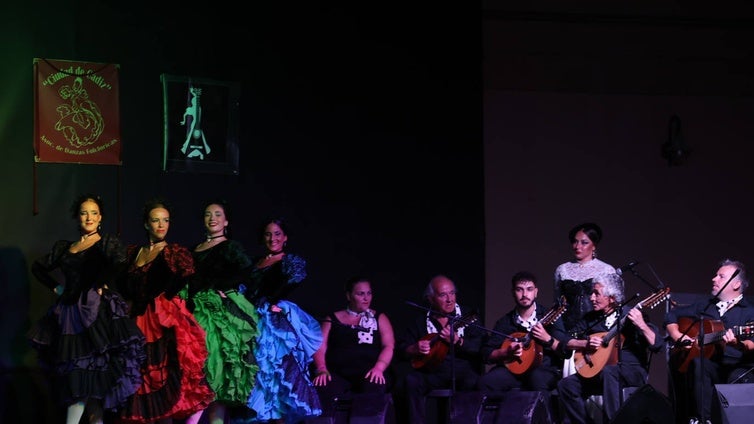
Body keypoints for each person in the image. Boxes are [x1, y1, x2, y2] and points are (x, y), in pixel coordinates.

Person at [27, 193, 146, 424]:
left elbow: (121, 262)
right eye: (84, 213)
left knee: (89, 385)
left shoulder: (106, 243)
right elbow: (39, 267)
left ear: (100, 217)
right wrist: (56, 288)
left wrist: (102, 281)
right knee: (80, 384)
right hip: (70, 317)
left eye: (93, 212)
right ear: (77, 218)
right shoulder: (65, 248)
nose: (88, 217)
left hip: (95, 315)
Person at [116, 198, 214, 424]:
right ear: (146, 224)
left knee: (161, 377)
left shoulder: (173, 252)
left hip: (161, 319)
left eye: (166, 220)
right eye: (156, 220)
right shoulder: (135, 252)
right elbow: (124, 283)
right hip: (136, 318)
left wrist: (165, 297)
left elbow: (187, 275)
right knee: (140, 377)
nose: (161, 225)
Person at [184, 199, 260, 424]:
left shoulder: (230, 247)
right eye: (208, 214)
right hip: (195, 313)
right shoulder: (194, 249)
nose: (212, 218)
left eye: (217, 214)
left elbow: (251, 275)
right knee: (199, 375)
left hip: (219, 318)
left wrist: (228, 290)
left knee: (216, 375)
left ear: (226, 221)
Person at [240, 217, 323, 424]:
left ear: (285, 238)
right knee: (258, 376)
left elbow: (287, 286)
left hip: (274, 324)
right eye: (268, 234)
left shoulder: (289, 262)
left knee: (276, 377)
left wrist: (274, 303)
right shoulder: (255, 262)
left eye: (277, 234)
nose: (272, 238)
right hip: (252, 319)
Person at [557, 272, 663, 424]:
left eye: (596, 293)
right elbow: (565, 340)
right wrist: (585, 343)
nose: (591, 298)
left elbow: (657, 345)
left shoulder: (633, 316)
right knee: (566, 385)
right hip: (600, 373)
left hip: (631, 371)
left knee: (610, 372)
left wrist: (641, 324)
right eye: (592, 293)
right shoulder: (591, 318)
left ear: (612, 298)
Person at [665, 259, 754, 424]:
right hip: (710, 364)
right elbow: (672, 315)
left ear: (736, 284)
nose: (714, 279)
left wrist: (737, 343)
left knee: (736, 376)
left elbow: (751, 344)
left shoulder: (749, 312)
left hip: (735, 366)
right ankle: (702, 420)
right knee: (699, 363)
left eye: (720, 276)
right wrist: (677, 335)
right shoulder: (706, 306)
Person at [396, 274, 485, 424]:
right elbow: (401, 350)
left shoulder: (468, 316)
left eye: (452, 293)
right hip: (432, 372)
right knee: (410, 381)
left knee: (475, 382)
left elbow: (481, 347)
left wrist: (459, 342)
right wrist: (414, 348)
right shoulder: (420, 321)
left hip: (463, 370)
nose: (449, 299)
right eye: (443, 295)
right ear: (430, 298)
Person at [477, 271, 568, 406]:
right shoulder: (505, 322)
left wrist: (547, 338)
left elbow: (565, 351)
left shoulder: (550, 316)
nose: (525, 294)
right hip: (512, 371)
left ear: (536, 292)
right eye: (520, 290)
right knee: (485, 382)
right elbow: (486, 354)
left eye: (529, 290)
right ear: (513, 292)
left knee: (536, 378)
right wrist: (506, 352)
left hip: (544, 370)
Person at [312, 276, 396, 402]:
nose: (366, 298)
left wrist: (379, 368)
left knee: (374, 389)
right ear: (349, 296)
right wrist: (322, 369)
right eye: (360, 294)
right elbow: (320, 346)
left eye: (369, 293)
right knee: (323, 387)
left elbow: (388, 346)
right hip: (337, 373)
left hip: (370, 373)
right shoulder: (331, 318)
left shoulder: (380, 317)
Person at [554, 222, 616, 376]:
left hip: (595, 329)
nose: (577, 246)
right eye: (575, 241)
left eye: (584, 242)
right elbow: (558, 302)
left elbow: (612, 304)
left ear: (594, 246)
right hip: (568, 331)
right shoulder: (562, 269)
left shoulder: (606, 269)